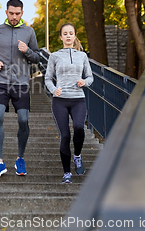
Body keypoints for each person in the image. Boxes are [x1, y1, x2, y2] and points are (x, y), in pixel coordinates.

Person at [0, 0, 41, 178]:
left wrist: (28, 52)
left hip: (22, 83)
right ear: (6, 12)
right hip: (1, 82)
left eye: (17, 14)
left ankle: (20, 159)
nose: (14, 17)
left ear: (22, 13)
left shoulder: (29, 32)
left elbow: (38, 57)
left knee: (23, 120)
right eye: (11, 13)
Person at [44, 22, 93, 184]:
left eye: (71, 33)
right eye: (65, 33)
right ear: (61, 37)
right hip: (60, 101)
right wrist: (53, 89)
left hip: (78, 99)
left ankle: (77, 156)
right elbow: (47, 78)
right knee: (65, 135)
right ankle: (67, 173)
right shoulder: (55, 56)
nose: (68, 36)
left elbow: (90, 77)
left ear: (74, 36)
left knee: (79, 128)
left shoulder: (82, 56)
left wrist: (84, 82)